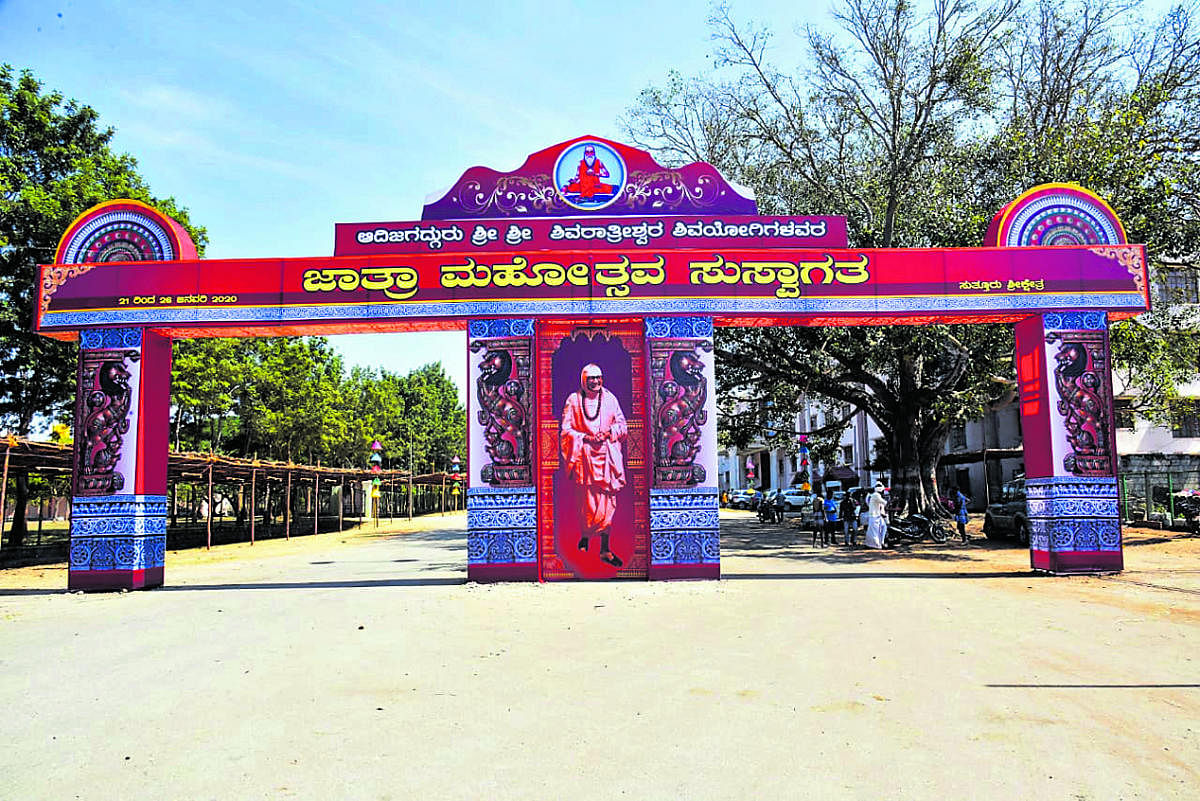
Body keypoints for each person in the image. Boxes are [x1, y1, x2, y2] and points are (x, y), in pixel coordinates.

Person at [560, 363, 628, 567]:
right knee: (587, 503)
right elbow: (565, 430)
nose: (596, 381)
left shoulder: (610, 398)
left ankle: (605, 549)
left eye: (599, 377)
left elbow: (622, 425)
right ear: (583, 380)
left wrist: (608, 434)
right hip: (585, 458)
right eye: (591, 378)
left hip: (608, 457)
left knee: (608, 504)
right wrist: (585, 438)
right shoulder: (573, 401)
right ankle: (586, 535)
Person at [864, 483, 888, 549]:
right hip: (874, 516)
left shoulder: (874, 495)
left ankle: (881, 542)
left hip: (877, 515)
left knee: (883, 527)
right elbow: (884, 502)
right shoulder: (876, 495)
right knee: (874, 531)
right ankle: (876, 545)